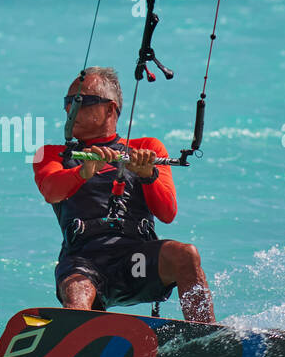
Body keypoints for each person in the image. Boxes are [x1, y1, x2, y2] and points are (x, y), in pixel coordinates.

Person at [32, 66, 215, 323]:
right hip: (84, 263)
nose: (69, 109)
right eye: (68, 101)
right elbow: (51, 191)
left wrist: (147, 175)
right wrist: (82, 172)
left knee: (186, 255)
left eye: (81, 101)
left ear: (110, 109)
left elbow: (167, 213)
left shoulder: (147, 148)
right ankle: (76, 343)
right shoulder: (51, 154)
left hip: (135, 260)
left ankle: (206, 337)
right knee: (78, 291)